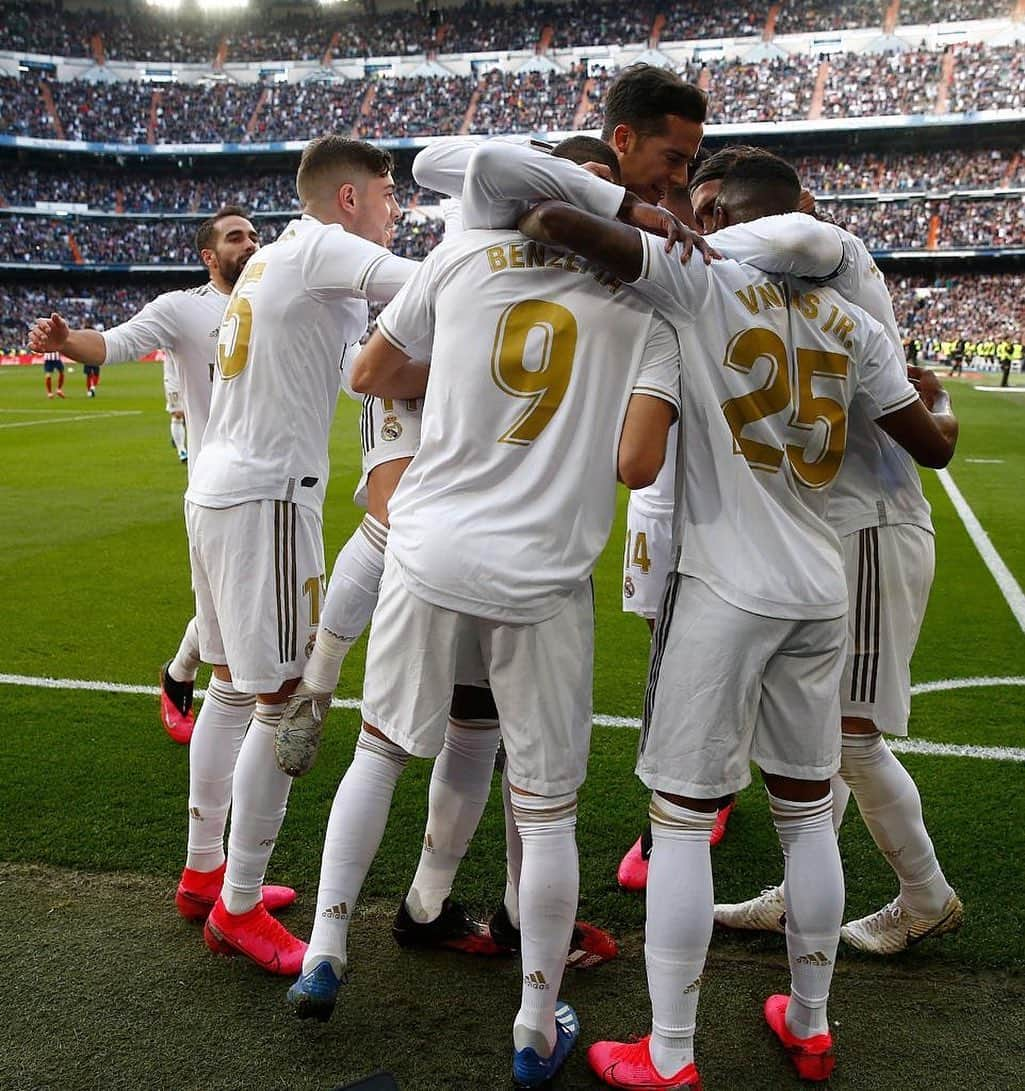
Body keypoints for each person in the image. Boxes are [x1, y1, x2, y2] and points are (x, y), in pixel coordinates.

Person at [515, 153, 957, 1088]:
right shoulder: (854, 321)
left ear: (720, 215)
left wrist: (642, 225)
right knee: (804, 817)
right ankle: (808, 1023)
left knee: (677, 821)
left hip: (721, 583)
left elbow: (554, 222)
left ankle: (669, 1051)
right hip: (817, 584)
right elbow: (930, 443)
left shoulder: (696, 285)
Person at [285, 139, 681, 1091]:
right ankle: (533, 1024)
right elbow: (638, 464)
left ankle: (324, 950)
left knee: (378, 750)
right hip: (542, 571)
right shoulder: (652, 296)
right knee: (545, 812)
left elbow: (373, 370)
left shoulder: (457, 259)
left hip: (426, 548)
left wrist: (466, 375)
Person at [184, 136, 417, 977]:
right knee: (281, 704)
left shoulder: (272, 258)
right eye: (389, 195)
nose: (397, 211)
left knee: (232, 689)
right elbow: (440, 288)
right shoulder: (321, 246)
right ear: (349, 199)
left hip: (218, 487)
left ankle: (205, 869)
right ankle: (237, 905)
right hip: (270, 498)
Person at [27, 206, 261, 748]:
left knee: (247, 606)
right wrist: (65, 343)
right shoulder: (181, 309)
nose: (249, 243)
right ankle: (207, 691)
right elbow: (115, 344)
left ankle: (182, 673)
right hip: (215, 489)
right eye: (234, 237)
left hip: (283, 482)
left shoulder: (281, 303)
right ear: (209, 256)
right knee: (228, 610)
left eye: (253, 234)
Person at [164, 356, 189, 462]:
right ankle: (181, 450)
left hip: (191, 373)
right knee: (178, 413)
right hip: (173, 376)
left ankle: (178, 435)